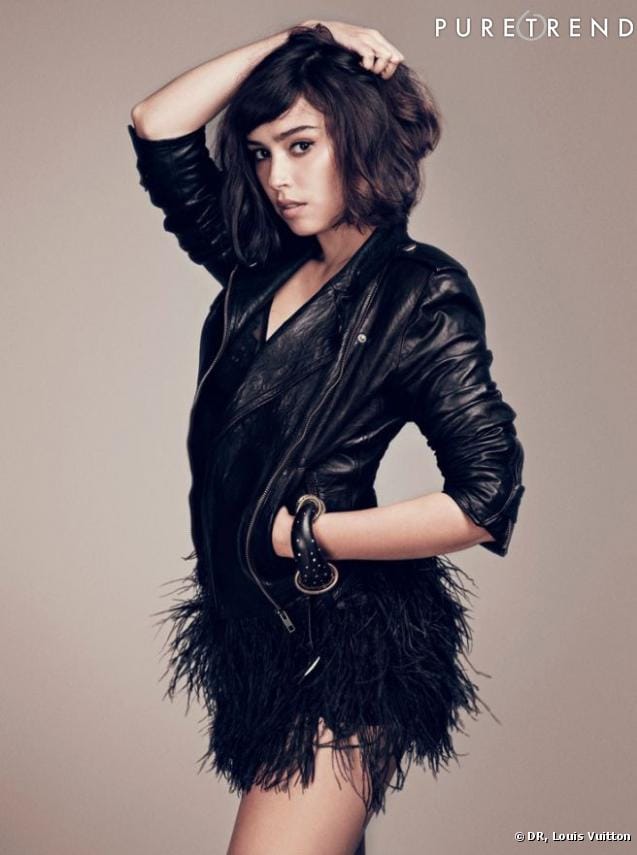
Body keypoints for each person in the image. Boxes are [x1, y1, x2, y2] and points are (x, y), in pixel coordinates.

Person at [127, 20, 526, 855]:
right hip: (256, 638)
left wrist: (306, 536)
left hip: (338, 640)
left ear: (359, 135)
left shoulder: (419, 291)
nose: (277, 177)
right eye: (261, 153)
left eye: (302, 145)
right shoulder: (258, 264)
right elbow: (157, 124)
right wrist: (295, 35)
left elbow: (484, 498)